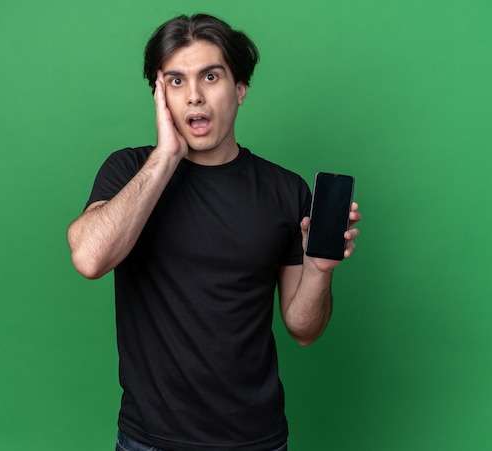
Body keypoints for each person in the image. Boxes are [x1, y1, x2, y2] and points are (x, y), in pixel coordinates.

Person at [67, 13, 361, 451]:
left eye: (210, 76)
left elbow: (304, 329)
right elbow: (90, 258)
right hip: (150, 441)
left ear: (239, 89)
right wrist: (167, 156)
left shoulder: (285, 190)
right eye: (176, 81)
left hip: (256, 440)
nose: (195, 97)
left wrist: (320, 270)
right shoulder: (130, 171)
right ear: (158, 94)